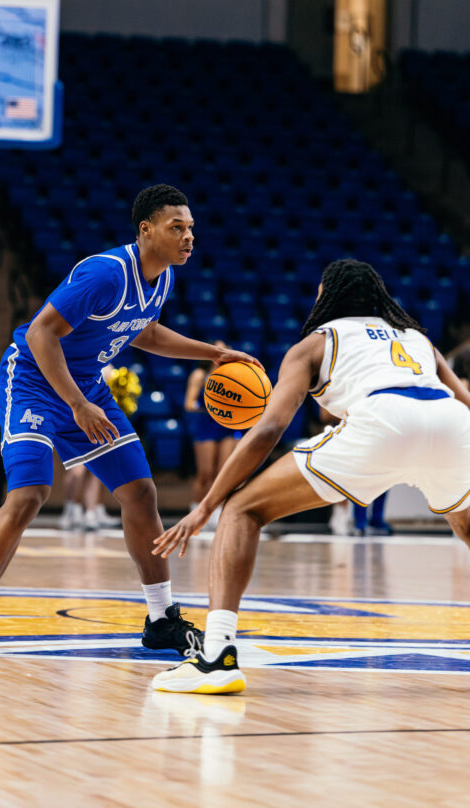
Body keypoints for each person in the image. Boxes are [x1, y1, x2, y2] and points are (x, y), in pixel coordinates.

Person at [0, 184, 262, 658]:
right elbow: (40, 333)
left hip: (86, 386)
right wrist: (76, 404)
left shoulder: (163, 279)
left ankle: (161, 619)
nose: (188, 236)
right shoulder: (105, 273)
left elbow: (148, 334)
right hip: (34, 378)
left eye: (191, 227)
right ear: (146, 229)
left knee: (140, 491)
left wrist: (216, 353)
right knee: (30, 495)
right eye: (177, 227)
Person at [150, 259, 470, 693]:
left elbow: (267, 429)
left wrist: (207, 505)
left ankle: (217, 656)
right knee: (465, 526)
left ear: (328, 297)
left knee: (242, 509)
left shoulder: (317, 342)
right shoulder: (418, 339)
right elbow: (463, 398)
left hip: (384, 420)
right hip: (451, 422)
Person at [184, 342, 241, 529]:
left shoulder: (231, 375)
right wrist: (213, 405)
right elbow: (189, 404)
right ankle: (195, 509)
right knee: (205, 473)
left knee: (223, 472)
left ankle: (216, 511)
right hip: (207, 424)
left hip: (227, 425)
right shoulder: (199, 375)